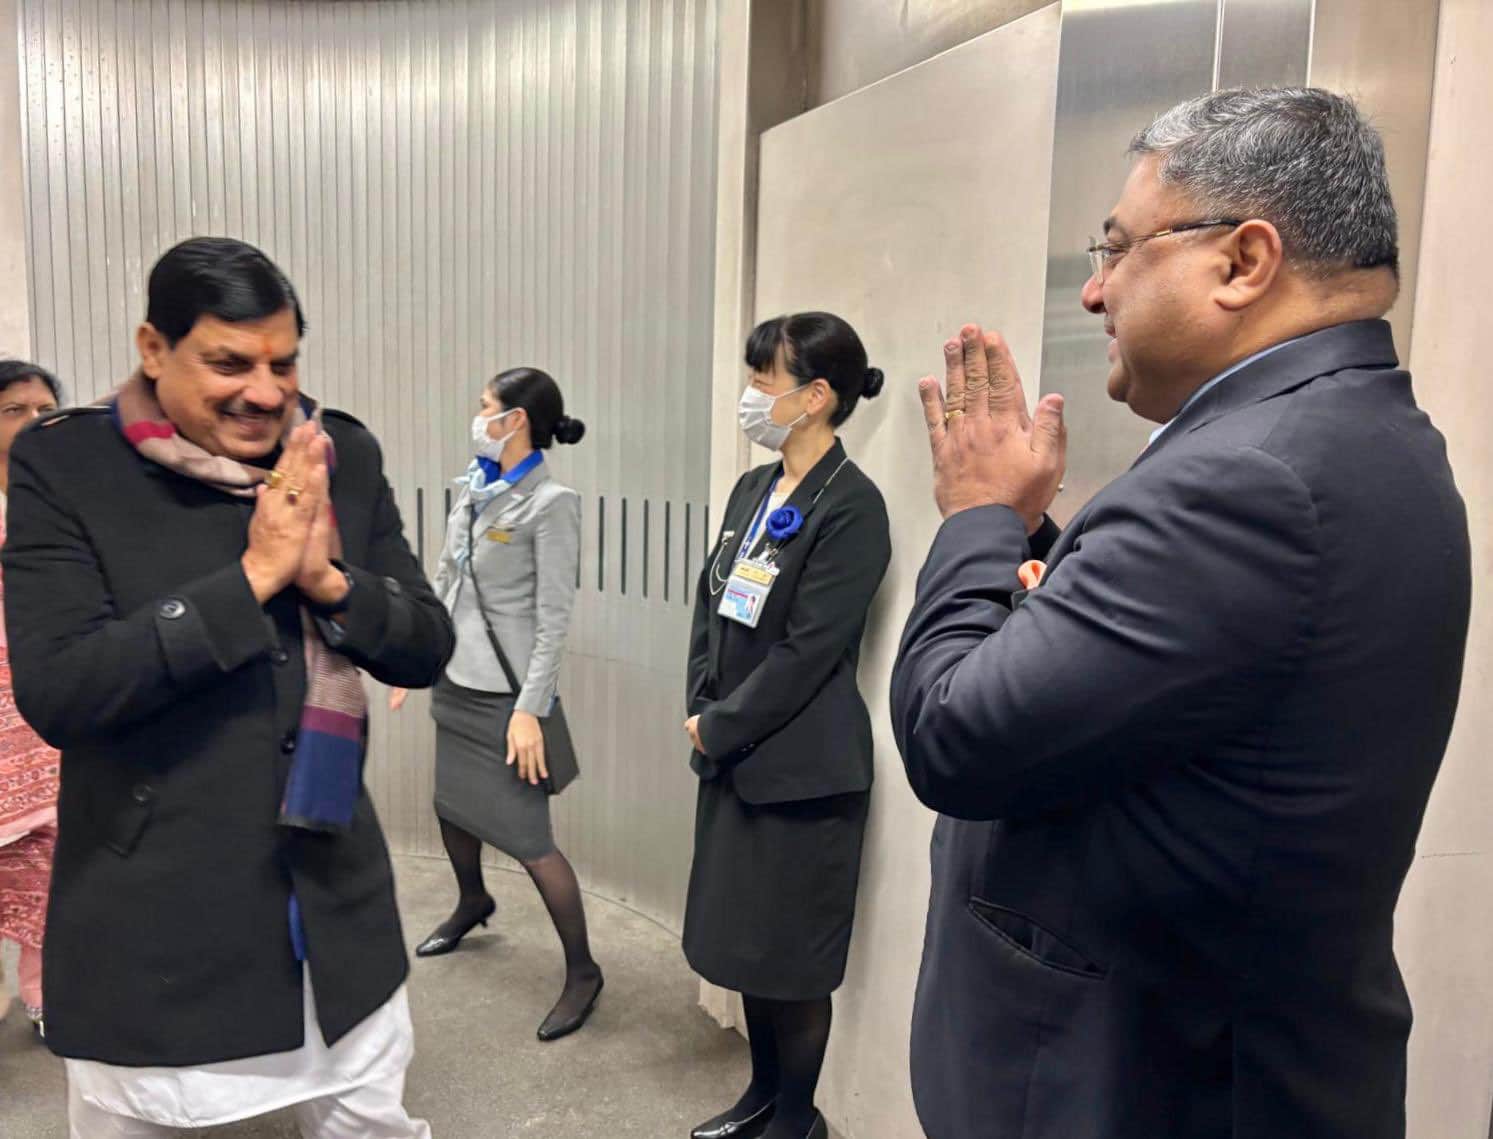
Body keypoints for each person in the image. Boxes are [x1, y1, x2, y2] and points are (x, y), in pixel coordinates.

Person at [890, 87, 1471, 1139]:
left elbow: (952, 732)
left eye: (1116, 249)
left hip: (1147, 1084)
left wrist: (977, 518)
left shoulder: (1247, 479)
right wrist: (1037, 559)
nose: (1094, 292)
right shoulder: (1347, 434)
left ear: (1243, 262)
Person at [3, 237, 454, 1137]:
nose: (263, 390)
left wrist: (331, 583)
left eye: (282, 362)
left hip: (332, 909)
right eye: (228, 362)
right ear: (152, 348)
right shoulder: (70, 467)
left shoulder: (335, 453)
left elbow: (422, 642)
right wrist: (248, 580)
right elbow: (61, 690)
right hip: (157, 923)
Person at [684, 313, 890, 1139]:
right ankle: (761, 1094)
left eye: (762, 381)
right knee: (747, 949)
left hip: (805, 770)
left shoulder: (853, 506)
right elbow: (711, 603)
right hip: (733, 752)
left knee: (794, 959)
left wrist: (722, 724)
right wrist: (701, 703)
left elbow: (810, 650)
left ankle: (799, 1119)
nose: (750, 396)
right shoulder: (750, 488)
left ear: (814, 397)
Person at [390, 367, 602, 1042]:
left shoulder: (551, 503)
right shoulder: (472, 487)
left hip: (506, 698)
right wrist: (414, 654)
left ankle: (582, 970)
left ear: (516, 420)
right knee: (451, 804)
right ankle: (472, 900)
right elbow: (446, 578)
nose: (476, 416)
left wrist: (528, 708)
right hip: (455, 678)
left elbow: (552, 619)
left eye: (486, 408)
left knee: (532, 841)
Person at [0, 359, 61, 1035]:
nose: (34, 421)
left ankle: (45, 994)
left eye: (45, 408)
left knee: (51, 857)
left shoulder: (69, 500)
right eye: (15, 408)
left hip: (48, 704)